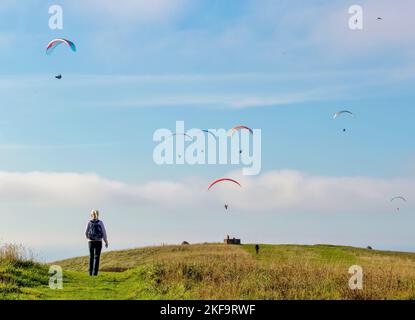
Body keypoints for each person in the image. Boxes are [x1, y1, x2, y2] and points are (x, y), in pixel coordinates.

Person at [85, 209, 108, 276]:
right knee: (97, 257)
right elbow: (104, 232)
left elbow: (85, 233)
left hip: (91, 242)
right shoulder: (100, 222)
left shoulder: (89, 222)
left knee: (91, 257)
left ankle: (90, 273)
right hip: (98, 241)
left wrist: (89, 238)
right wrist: (106, 241)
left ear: (91, 215)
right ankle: (95, 274)